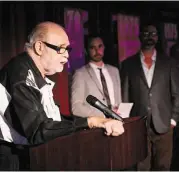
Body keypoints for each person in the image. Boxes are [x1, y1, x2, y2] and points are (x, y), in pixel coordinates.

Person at [0, 21, 125, 170]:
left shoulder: (34, 72)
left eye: (67, 49)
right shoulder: (21, 73)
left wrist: (95, 122)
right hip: (12, 159)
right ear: (40, 47)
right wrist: (91, 121)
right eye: (61, 49)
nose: (66, 56)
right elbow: (38, 129)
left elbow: (54, 121)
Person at [120, 23, 179, 170]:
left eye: (153, 34)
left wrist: (173, 120)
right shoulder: (128, 64)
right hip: (139, 126)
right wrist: (129, 123)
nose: (149, 37)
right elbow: (125, 96)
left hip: (164, 124)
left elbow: (177, 93)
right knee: (141, 167)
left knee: (163, 166)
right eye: (146, 33)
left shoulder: (169, 63)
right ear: (140, 36)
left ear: (158, 38)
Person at [71, 34, 122, 118]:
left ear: (104, 47)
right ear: (86, 50)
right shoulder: (80, 73)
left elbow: (119, 100)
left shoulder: (114, 71)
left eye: (100, 46)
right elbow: (76, 107)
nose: (97, 50)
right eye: (92, 47)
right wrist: (102, 115)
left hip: (116, 122)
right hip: (96, 124)